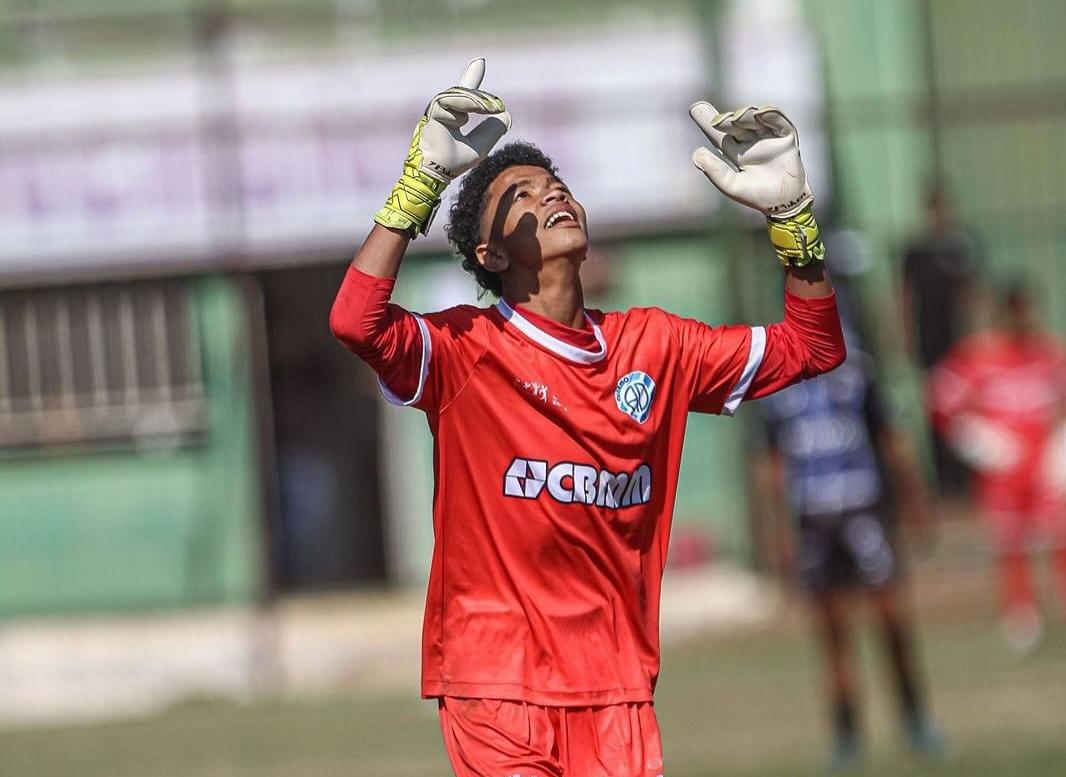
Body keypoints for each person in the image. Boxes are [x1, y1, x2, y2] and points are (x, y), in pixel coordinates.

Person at [330, 58, 846, 776]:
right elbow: (355, 321)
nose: (551, 194)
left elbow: (814, 347)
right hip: (496, 681)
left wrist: (793, 222)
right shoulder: (465, 350)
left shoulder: (656, 346)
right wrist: (419, 184)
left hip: (616, 689)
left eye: (556, 185)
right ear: (490, 253)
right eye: (521, 194)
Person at [758, 249, 945, 770]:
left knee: (891, 618)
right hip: (812, 513)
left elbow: (891, 436)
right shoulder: (774, 369)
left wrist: (915, 498)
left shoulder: (856, 363)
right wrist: (777, 530)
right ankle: (845, 732)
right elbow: (771, 459)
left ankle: (915, 718)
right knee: (832, 631)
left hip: (862, 505)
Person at [929, 283, 1066, 653]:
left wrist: (1060, 443)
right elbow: (941, 402)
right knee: (1011, 544)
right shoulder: (977, 357)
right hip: (1004, 471)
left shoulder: (1047, 354)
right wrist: (979, 442)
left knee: (1061, 537)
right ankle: (1022, 618)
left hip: (1046, 467)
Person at [902, 185, 980, 495]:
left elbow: (971, 294)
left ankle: (966, 474)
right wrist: (907, 337)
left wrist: (975, 335)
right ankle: (945, 476)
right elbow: (906, 297)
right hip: (930, 339)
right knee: (937, 408)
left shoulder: (960, 247)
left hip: (957, 340)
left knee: (965, 408)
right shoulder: (917, 251)